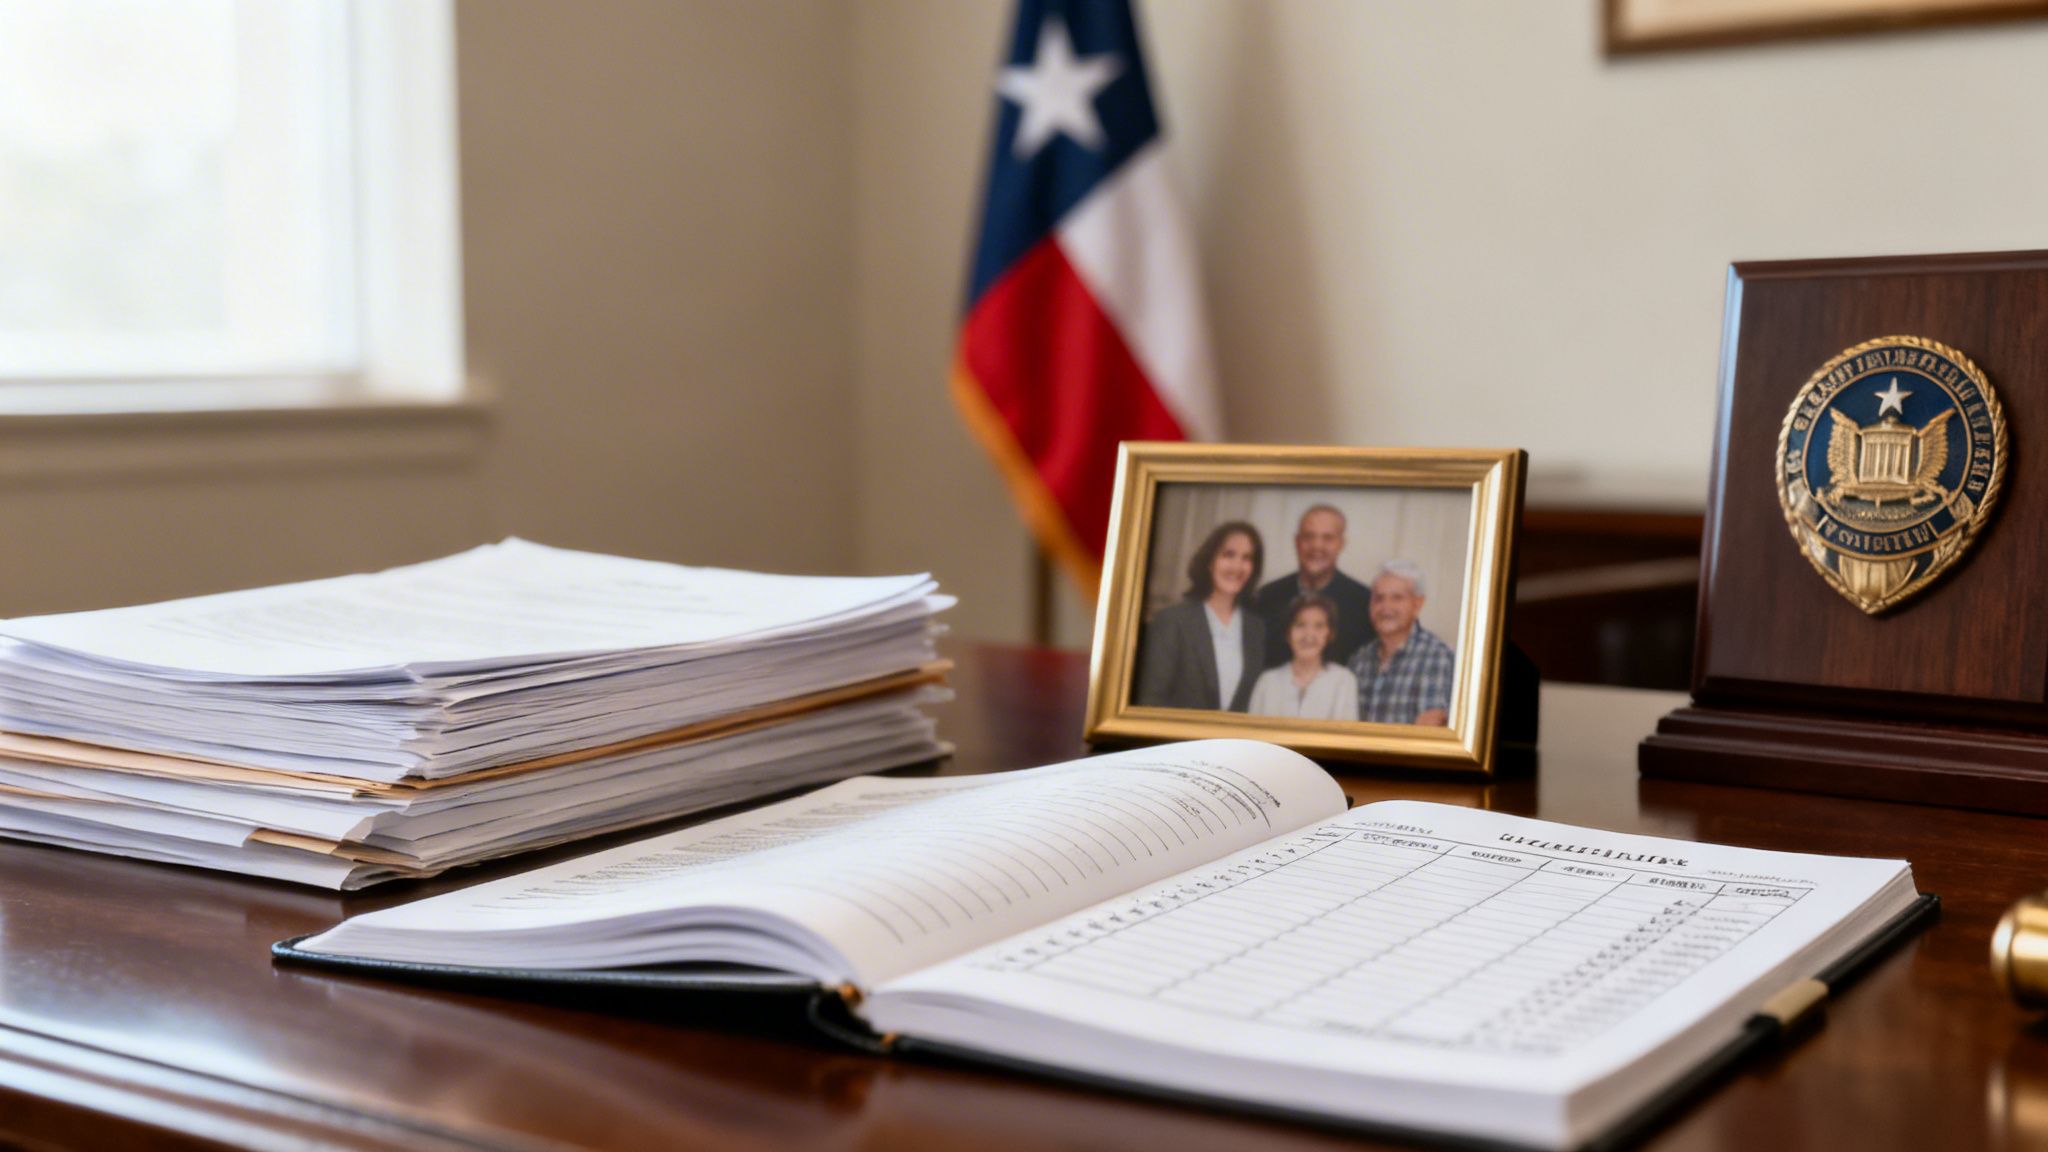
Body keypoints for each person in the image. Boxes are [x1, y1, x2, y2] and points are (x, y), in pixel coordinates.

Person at [1132, 521, 1266, 712]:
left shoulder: (1256, 629)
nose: (1237, 566)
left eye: (1247, 558)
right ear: (1210, 562)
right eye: (1229, 554)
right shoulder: (1172, 621)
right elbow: (1150, 700)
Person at [1253, 505, 1374, 671]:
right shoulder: (1266, 599)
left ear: (1341, 543)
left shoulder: (1364, 603)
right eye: (1308, 537)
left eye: (1328, 538)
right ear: (1297, 542)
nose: (1317, 546)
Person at [1347, 560, 1455, 726]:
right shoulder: (1359, 659)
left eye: (1397, 598)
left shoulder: (1437, 657)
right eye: (1378, 598)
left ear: (1417, 604)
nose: (1385, 607)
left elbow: (1427, 733)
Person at [1247, 595, 1359, 720]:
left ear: (1330, 634)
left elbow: (1345, 736)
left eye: (1319, 626)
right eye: (1300, 625)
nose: (1309, 635)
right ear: (1288, 633)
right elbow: (1253, 735)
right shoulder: (1267, 682)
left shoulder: (1343, 681)